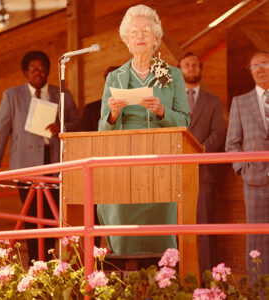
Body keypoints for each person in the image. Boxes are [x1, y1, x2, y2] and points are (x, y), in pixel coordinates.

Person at [98, 4, 190, 255]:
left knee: (159, 233)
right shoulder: (114, 78)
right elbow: (102, 128)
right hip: (122, 164)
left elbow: (184, 122)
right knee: (119, 221)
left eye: (146, 31)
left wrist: (162, 112)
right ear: (127, 39)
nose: (140, 35)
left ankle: (165, 277)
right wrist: (114, 114)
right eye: (135, 31)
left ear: (156, 38)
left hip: (160, 162)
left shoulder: (173, 75)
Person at [0, 50, 80, 262]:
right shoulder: (12, 96)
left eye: (42, 68)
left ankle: (52, 266)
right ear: (26, 72)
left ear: (48, 71)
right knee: (32, 217)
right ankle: (35, 264)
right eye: (33, 68)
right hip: (25, 167)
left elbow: (77, 125)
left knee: (53, 217)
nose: (38, 72)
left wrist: (61, 126)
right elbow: (1, 130)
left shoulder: (61, 94)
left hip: (54, 164)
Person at [179, 52, 226, 274]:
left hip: (204, 172)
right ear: (179, 70)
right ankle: (175, 280)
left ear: (201, 68)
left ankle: (210, 280)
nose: (190, 67)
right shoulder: (170, 101)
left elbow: (219, 132)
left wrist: (201, 150)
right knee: (175, 228)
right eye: (186, 64)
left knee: (206, 229)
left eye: (194, 64)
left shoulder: (213, 100)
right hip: (176, 172)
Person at [226, 51, 269, 281]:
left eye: (264, 64)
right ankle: (259, 292)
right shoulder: (240, 102)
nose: (260, 69)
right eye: (255, 66)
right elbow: (231, 144)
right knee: (257, 240)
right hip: (254, 182)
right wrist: (245, 169)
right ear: (251, 72)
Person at [81, 66, 119, 131]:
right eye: (111, 82)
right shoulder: (90, 110)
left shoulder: (133, 107)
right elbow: (84, 137)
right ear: (105, 84)